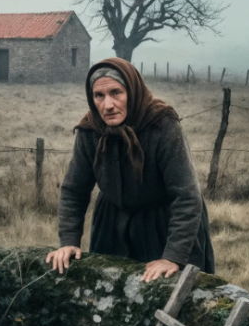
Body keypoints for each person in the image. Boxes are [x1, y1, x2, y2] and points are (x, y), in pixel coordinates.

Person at [46, 58, 214, 282]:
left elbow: (186, 196)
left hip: (164, 224)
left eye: (116, 92)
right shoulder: (90, 130)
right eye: (99, 96)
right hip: (112, 225)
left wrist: (173, 256)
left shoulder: (162, 125)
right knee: (109, 297)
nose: (108, 105)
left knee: (173, 298)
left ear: (132, 92)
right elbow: (74, 191)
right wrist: (68, 241)